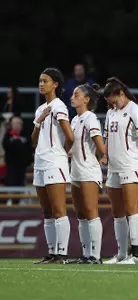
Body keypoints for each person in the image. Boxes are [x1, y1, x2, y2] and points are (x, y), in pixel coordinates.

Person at [102, 77, 138, 264]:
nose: (113, 105)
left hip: (129, 164)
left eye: (114, 101)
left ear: (121, 94)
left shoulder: (134, 109)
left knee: (131, 209)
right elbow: (107, 138)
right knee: (117, 212)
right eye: (110, 103)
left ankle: (136, 254)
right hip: (113, 167)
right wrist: (105, 156)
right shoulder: (111, 112)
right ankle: (121, 253)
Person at [32, 68, 74, 264]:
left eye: (46, 81)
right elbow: (34, 141)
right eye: (40, 81)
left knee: (59, 210)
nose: (41, 84)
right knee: (47, 211)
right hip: (40, 162)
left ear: (55, 84)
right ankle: (51, 252)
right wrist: (38, 122)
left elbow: (70, 136)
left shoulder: (59, 106)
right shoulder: (41, 109)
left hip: (54, 162)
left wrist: (61, 153)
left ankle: (62, 254)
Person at [69, 83, 105, 264]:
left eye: (76, 94)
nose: (72, 97)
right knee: (81, 214)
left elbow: (100, 145)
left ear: (86, 99)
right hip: (75, 170)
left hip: (88, 170)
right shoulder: (75, 120)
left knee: (91, 212)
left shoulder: (90, 118)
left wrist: (103, 157)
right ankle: (86, 254)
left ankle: (96, 256)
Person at [2, 116, 33, 205]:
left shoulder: (25, 135)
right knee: (12, 182)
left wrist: (29, 161)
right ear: (11, 125)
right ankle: (11, 199)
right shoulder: (8, 135)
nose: (18, 125)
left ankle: (22, 199)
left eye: (19, 123)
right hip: (11, 166)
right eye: (15, 123)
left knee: (22, 182)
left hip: (23, 166)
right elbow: (5, 146)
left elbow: (29, 149)